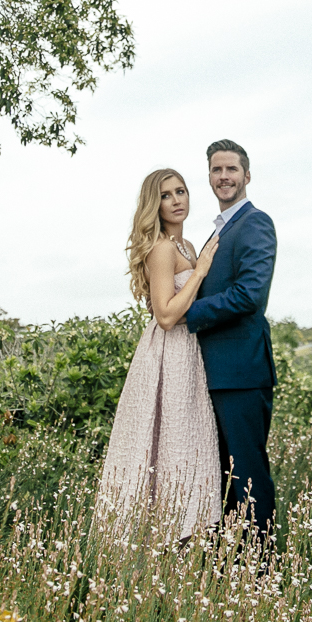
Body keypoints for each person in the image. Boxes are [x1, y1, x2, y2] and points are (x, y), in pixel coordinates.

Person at [96, 168, 224, 542]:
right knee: (166, 446)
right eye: (166, 195)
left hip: (190, 353)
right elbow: (166, 315)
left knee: (187, 445)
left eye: (181, 191)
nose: (176, 200)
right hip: (168, 354)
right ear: (155, 204)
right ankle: (165, 539)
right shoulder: (164, 249)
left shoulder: (186, 245)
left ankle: (187, 535)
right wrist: (200, 272)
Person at [184, 140, 278, 538]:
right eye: (217, 170)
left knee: (249, 479)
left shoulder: (255, 223)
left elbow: (249, 294)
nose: (224, 177)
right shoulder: (215, 233)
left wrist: (186, 315)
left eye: (232, 170)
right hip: (213, 374)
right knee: (222, 483)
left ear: (247, 176)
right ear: (208, 177)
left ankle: (264, 574)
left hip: (241, 373)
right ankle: (232, 575)